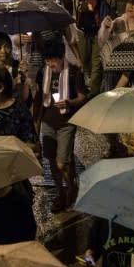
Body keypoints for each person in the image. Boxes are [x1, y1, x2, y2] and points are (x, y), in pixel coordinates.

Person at [33, 39, 88, 213]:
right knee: (51, 161)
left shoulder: (72, 73)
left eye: (53, 61)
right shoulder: (43, 72)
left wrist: (69, 103)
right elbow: (39, 99)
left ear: (62, 57)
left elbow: (82, 96)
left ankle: (71, 187)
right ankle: (61, 193)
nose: (50, 64)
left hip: (66, 124)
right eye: (47, 61)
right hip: (48, 123)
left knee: (62, 163)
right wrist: (36, 123)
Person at [0, 32, 30, 104]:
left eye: (6, 47)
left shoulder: (16, 66)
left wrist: (24, 75)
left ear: (11, 48)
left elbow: (24, 97)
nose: (3, 51)